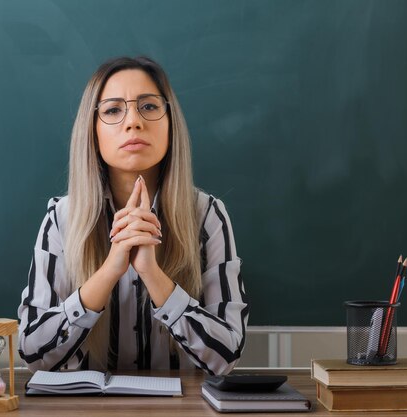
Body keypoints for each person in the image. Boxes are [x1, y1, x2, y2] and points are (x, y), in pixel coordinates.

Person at [18, 56, 248, 375]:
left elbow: (226, 358)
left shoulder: (207, 215)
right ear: (92, 130)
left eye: (149, 107)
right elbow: (33, 352)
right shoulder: (61, 218)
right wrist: (110, 270)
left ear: (171, 124)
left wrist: (151, 273)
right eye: (113, 109)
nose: (133, 122)